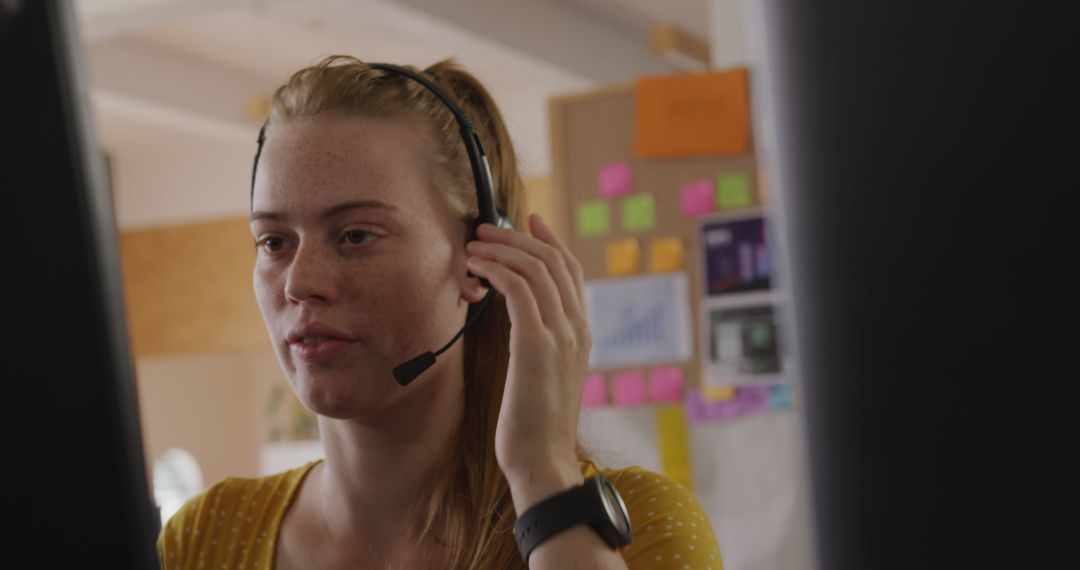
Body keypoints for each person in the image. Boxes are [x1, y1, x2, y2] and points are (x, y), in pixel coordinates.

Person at [156, 55, 723, 569]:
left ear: (479, 263)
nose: (301, 283)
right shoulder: (201, 540)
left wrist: (544, 476)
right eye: (274, 243)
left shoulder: (637, 528)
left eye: (356, 236)